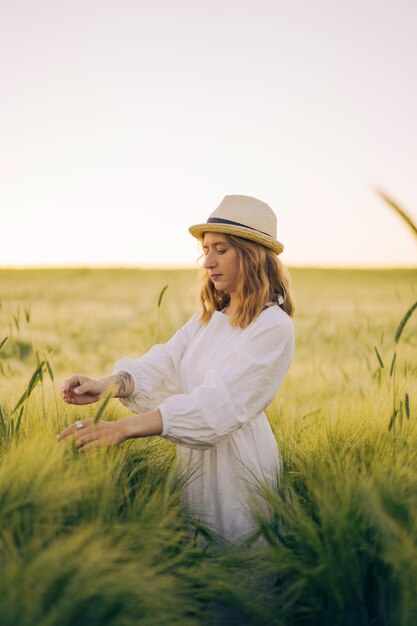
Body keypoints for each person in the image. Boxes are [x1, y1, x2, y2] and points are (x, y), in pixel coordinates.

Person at [58, 194, 295, 545]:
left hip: (240, 471)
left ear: (252, 255)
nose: (207, 262)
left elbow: (218, 406)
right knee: (200, 561)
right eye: (206, 250)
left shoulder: (273, 327)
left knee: (239, 568)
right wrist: (108, 385)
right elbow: (166, 361)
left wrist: (121, 428)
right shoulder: (210, 317)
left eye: (221, 250)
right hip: (196, 466)